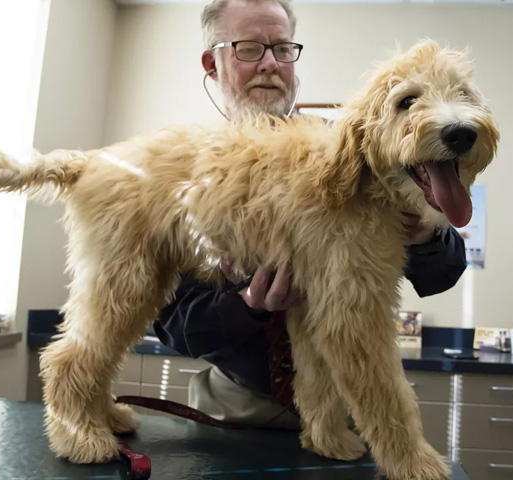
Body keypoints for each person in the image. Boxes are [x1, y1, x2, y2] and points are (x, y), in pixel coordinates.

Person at [153, 0, 467, 429]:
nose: (270, 63)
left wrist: (422, 234)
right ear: (213, 63)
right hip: (233, 411)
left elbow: (443, 273)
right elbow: (175, 328)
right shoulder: (181, 176)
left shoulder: (350, 154)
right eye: (249, 48)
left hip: (349, 406)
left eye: (282, 48)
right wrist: (248, 304)